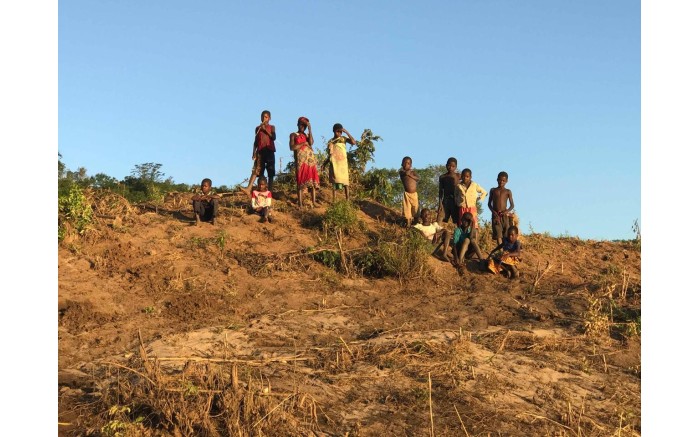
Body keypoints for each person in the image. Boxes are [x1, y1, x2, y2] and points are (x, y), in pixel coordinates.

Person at [289, 116, 320, 208]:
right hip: (301, 161)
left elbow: (311, 142)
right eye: (301, 124)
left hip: (310, 160)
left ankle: (313, 202)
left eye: (304, 125)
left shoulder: (306, 135)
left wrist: (310, 129)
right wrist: (303, 143)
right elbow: (292, 147)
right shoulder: (293, 135)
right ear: (297, 124)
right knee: (300, 181)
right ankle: (300, 204)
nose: (302, 127)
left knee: (312, 181)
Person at [243, 110, 276, 194]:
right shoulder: (258, 128)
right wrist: (254, 152)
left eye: (266, 117)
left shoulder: (272, 127)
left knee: (270, 172)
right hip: (260, 152)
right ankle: (251, 188)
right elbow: (255, 142)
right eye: (262, 117)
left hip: (269, 151)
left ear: (269, 118)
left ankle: (270, 191)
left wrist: (265, 130)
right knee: (257, 170)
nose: (264, 118)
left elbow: (273, 137)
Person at [322, 123, 355, 202]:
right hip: (334, 164)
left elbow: (353, 142)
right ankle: (334, 200)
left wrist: (346, 132)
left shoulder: (344, 139)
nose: (339, 133)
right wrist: (324, 164)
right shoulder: (331, 141)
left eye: (341, 132)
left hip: (342, 164)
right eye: (338, 131)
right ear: (334, 131)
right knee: (334, 182)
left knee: (345, 183)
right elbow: (330, 154)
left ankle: (347, 200)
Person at [487, 171, 515, 246]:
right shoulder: (493, 190)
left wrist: (506, 211)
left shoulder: (508, 191)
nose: (501, 182)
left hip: (504, 216)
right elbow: (489, 204)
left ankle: (505, 249)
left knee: (506, 234)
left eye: (503, 181)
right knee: (498, 234)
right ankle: (501, 251)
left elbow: (512, 205)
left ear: (506, 181)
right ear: (497, 179)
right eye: (500, 180)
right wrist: (493, 211)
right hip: (496, 216)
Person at [438, 157, 460, 224]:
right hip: (446, 201)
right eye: (449, 165)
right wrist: (440, 203)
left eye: (453, 166)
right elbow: (441, 191)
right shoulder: (442, 177)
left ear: (456, 167)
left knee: (457, 221)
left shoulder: (458, 176)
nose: (451, 168)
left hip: (456, 201)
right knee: (441, 220)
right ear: (446, 165)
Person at [399, 156, 420, 226]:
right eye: (404, 163)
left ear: (410, 165)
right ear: (402, 164)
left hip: (414, 194)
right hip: (406, 194)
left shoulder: (413, 172)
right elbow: (402, 174)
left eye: (408, 163)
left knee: (415, 209)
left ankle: (416, 222)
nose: (406, 164)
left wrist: (411, 175)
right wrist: (407, 173)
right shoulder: (401, 172)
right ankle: (408, 223)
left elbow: (418, 178)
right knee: (406, 209)